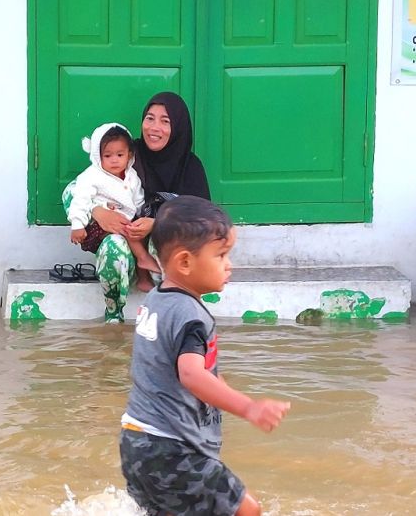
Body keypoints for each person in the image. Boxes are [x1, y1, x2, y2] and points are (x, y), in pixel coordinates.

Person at [119, 196, 290, 516]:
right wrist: (249, 407)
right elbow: (192, 374)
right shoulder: (192, 316)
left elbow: (192, 371)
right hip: (171, 448)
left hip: (135, 443)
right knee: (247, 510)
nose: (229, 265)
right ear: (185, 262)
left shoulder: (157, 299)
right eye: (221, 255)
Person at [91, 92, 210, 323]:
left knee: (172, 245)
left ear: (178, 127)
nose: (154, 128)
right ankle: (113, 318)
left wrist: (157, 225)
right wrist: (99, 212)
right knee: (112, 248)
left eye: (165, 121)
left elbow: (206, 222)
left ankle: (171, 319)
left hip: (161, 252)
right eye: (150, 118)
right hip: (126, 243)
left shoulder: (191, 167)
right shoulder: (128, 154)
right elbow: (78, 188)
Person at [66, 122, 160, 290]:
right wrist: (77, 225)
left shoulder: (132, 177)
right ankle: (143, 258)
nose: (114, 160)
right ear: (98, 156)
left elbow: (138, 200)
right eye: (107, 156)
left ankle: (143, 277)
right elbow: (80, 199)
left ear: (129, 155)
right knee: (126, 230)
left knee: (137, 233)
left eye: (120, 154)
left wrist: (142, 218)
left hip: (125, 222)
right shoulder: (92, 176)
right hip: (97, 227)